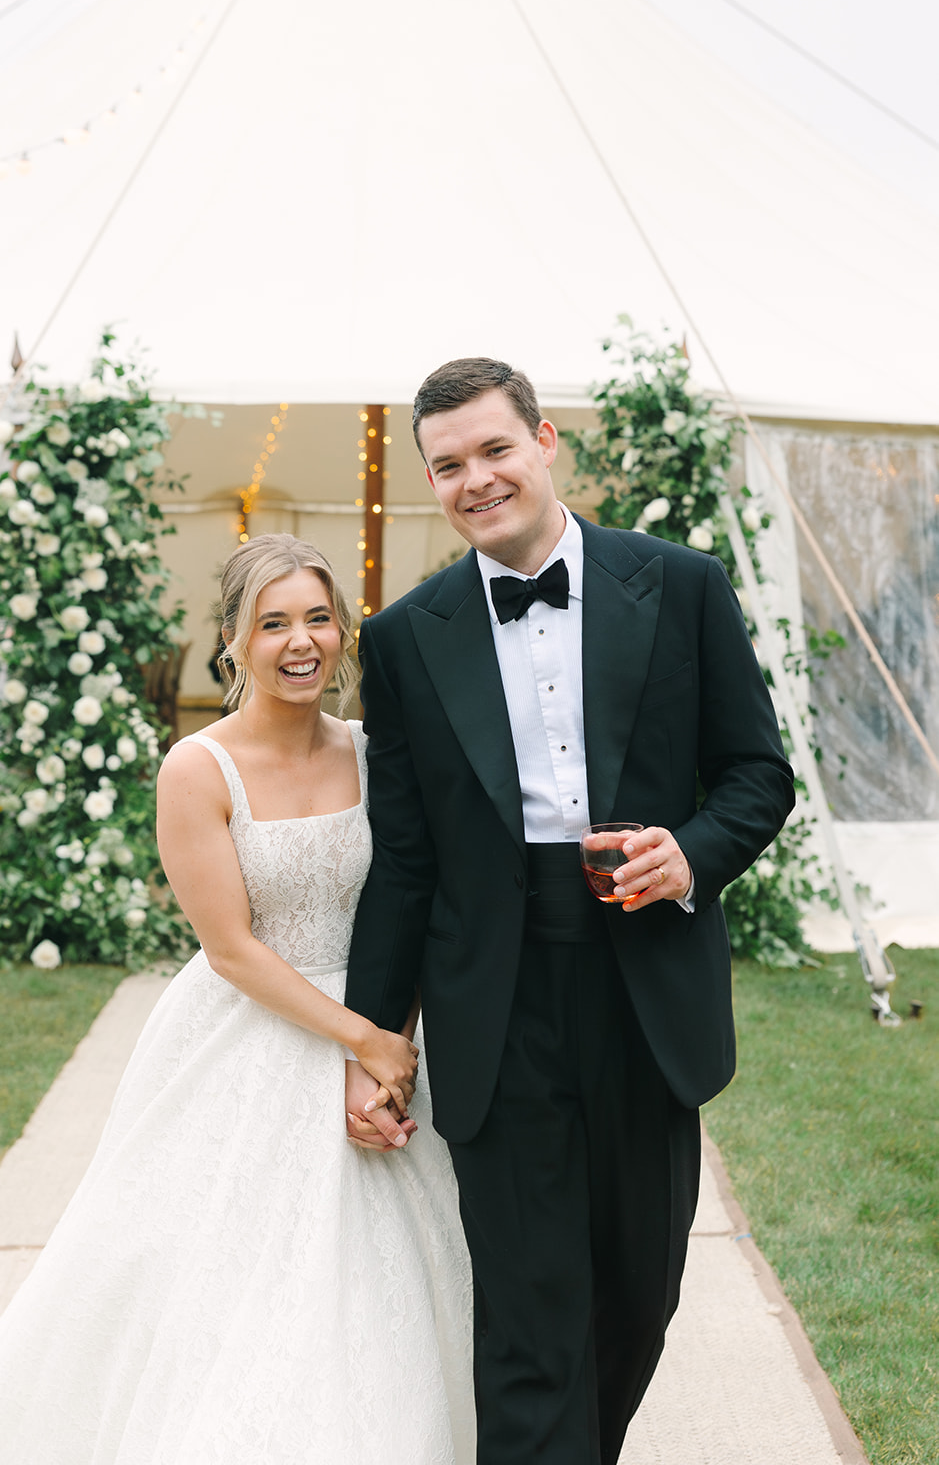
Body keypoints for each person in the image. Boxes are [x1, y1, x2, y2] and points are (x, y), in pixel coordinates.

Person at [0, 533, 474, 1465]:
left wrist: (388, 1047)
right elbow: (231, 950)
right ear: (232, 640)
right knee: (227, 1291)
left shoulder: (377, 753)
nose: (301, 642)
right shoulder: (196, 769)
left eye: (319, 619)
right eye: (274, 623)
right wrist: (359, 1043)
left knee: (390, 1295)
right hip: (252, 1036)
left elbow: (408, 900)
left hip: (382, 1021)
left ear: (344, 631)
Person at [344, 358, 796, 1465]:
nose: (474, 479)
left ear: (546, 442)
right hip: (492, 998)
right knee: (528, 1314)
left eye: (492, 449)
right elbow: (403, 860)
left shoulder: (679, 585)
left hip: (646, 980)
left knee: (635, 1294)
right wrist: (372, 1040)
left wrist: (686, 854)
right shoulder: (404, 637)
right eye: (445, 466)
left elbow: (754, 773)